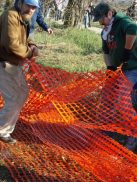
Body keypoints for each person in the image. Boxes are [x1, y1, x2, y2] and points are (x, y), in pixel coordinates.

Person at [93, 2, 137, 151]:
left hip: (132, 67)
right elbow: (106, 52)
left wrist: (127, 51)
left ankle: (133, 136)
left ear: (110, 14)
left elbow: (134, 29)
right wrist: (109, 68)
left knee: (122, 102)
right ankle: (106, 132)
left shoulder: (123, 22)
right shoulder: (105, 31)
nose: (100, 22)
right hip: (117, 68)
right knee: (106, 98)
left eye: (101, 18)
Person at [0, 0, 39, 144]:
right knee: (14, 98)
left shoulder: (21, 17)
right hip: (4, 63)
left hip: (13, 63)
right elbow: (12, 44)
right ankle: (2, 130)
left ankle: (5, 126)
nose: (31, 10)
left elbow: (23, 38)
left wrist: (32, 45)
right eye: (29, 5)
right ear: (20, 3)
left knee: (22, 94)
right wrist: (30, 53)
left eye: (34, 7)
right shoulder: (11, 15)